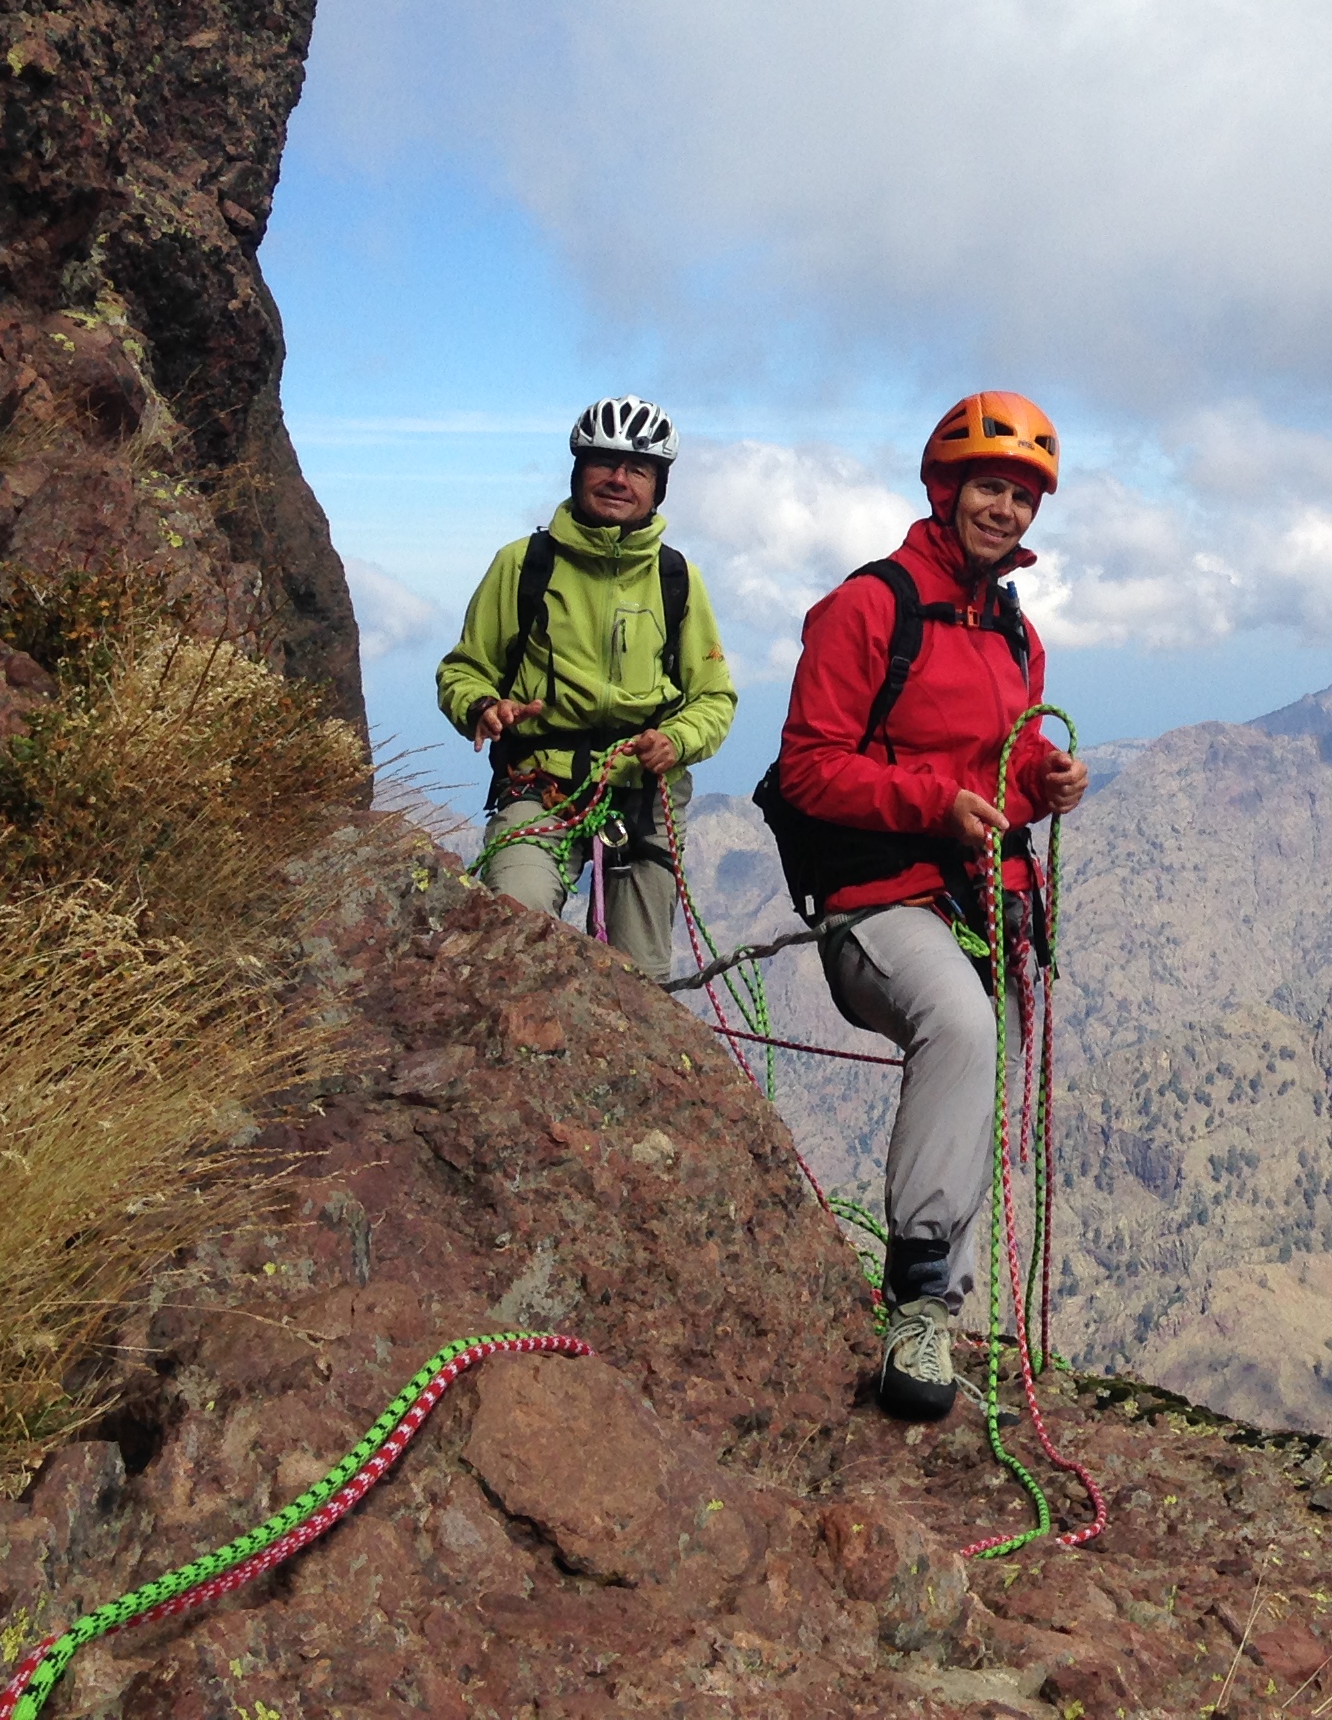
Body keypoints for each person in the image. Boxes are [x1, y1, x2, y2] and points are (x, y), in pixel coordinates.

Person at [763, 390, 1089, 1420]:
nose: (1008, 510)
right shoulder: (870, 607)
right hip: (873, 900)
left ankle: (937, 1310)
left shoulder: (1013, 633)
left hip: (970, 897)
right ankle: (916, 1306)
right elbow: (808, 770)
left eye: (1024, 495)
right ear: (946, 489)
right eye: (991, 487)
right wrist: (931, 808)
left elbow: (1008, 758)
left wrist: (1046, 782)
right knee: (957, 1021)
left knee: (978, 1050)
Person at [438, 397, 735, 984]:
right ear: (578, 472)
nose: (619, 479)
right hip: (539, 782)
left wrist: (675, 740)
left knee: (640, 979)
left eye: (638, 470)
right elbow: (463, 668)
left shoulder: (676, 579)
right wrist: (482, 706)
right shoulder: (524, 565)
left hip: (642, 795)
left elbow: (714, 697)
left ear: (658, 488)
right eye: (604, 463)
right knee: (511, 925)